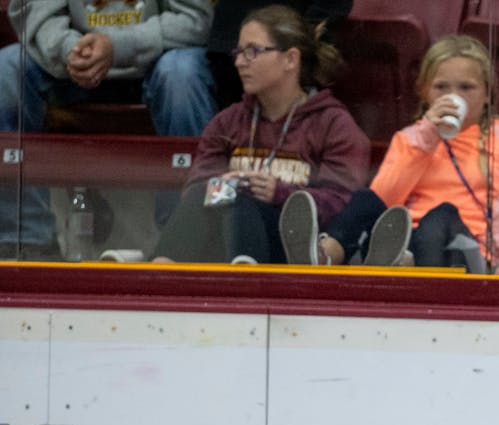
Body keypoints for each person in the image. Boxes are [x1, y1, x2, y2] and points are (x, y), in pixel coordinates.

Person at [280, 34, 499, 273]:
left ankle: (404, 262)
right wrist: (428, 136)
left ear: (488, 94)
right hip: (401, 240)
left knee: (440, 215)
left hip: (466, 257)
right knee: (366, 200)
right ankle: (326, 255)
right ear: (424, 91)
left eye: (466, 87)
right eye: (441, 87)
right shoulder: (410, 138)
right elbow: (383, 201)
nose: (453, 96)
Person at [148, 4, 367, 265]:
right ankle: (161, 267)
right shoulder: (227, 122)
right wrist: (226, 186)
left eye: (252, 51)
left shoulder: (332, 123)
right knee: (203, 197)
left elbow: (343, 203)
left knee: (243, 205)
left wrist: (280, 193)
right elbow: (195, 191)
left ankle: (239, 271)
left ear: (290, 59)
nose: (239, 62)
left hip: (292, 247)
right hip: (225, 241)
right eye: (238, 52)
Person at [0, 0, 216, 259]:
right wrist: (70, 49)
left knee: (183, 73)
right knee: (8, 68)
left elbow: (196, 21)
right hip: (72, 62)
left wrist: (118, 46)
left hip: (157, 60)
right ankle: (28, 240)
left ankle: (183, 239)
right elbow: (33, 13)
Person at [206, 0, 350, 109]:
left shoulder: (332, 129)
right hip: (225, 47)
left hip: (299, 42)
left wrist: (303, 36)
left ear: (291, 58)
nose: (240, 62)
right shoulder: (225, 125)